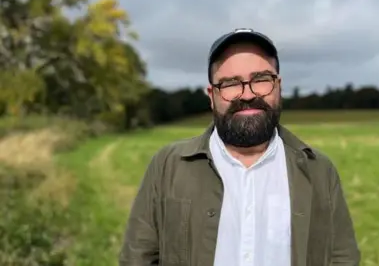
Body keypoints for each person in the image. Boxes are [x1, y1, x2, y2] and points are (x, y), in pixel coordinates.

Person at [119, 28, 361, 266]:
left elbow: (342, 257)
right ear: (211, 95)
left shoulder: (318, 170)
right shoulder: (168, 165)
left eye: (261, 79)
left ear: (278, 86)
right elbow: (137, 257)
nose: (247, 94)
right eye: (231, 83)